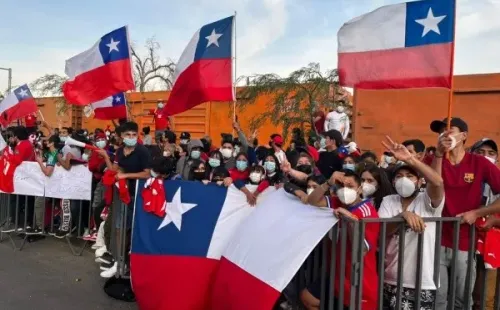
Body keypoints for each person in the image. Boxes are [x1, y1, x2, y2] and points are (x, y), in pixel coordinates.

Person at [424, 117, 500, 310]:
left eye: (450, 130)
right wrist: (439, 156)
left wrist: (478, 212)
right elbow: (432, 185)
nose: (444, 134)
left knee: (461, 301)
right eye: (441, 130)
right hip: (435, 240)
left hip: (465, 241)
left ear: (464, 136)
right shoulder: (431, 160)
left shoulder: (479, 163)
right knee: (438, 300)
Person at [378, 136, 445, 310]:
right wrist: (403, 216)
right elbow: (381, 231)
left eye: (409, 176)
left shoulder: (428, 201)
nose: (404, 179)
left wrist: (410, 159)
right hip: (391, 277)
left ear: (420, 181)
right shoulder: (389, 201)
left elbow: (437, 181)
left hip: (422, 280)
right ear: (393, 182)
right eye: (399, 176)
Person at [305, 169, 379, 310]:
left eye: (350, 186)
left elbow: (362, 249)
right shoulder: (337, 202)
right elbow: (312, 201)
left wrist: (351, 221)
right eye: (341, 186)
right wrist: (328, 183)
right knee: (308, 298)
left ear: (360, 189)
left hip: (359, 280)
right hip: (337, 274)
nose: (345, 190)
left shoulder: (367, 212)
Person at [97, 121, 152, 278]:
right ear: (121, 136)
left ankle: (127, 264)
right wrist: (107, 157)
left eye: (134, 135)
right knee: (119, 228)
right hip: (121, 195)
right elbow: (115, 169)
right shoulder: (120, 151)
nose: (131, 137)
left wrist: (126, 176)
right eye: (128, 135)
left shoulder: (142, 151)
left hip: (137, 195)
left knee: (130, 230)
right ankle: (118, 261)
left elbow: (147, 173)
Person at [470, 138, 499, 310]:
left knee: (487, 298)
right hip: (467, 245)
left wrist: (495, 220)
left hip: (494, 249)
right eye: (480, 152)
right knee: (469, 294)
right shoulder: (465, 180)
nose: (485, 157)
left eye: (491, 153)